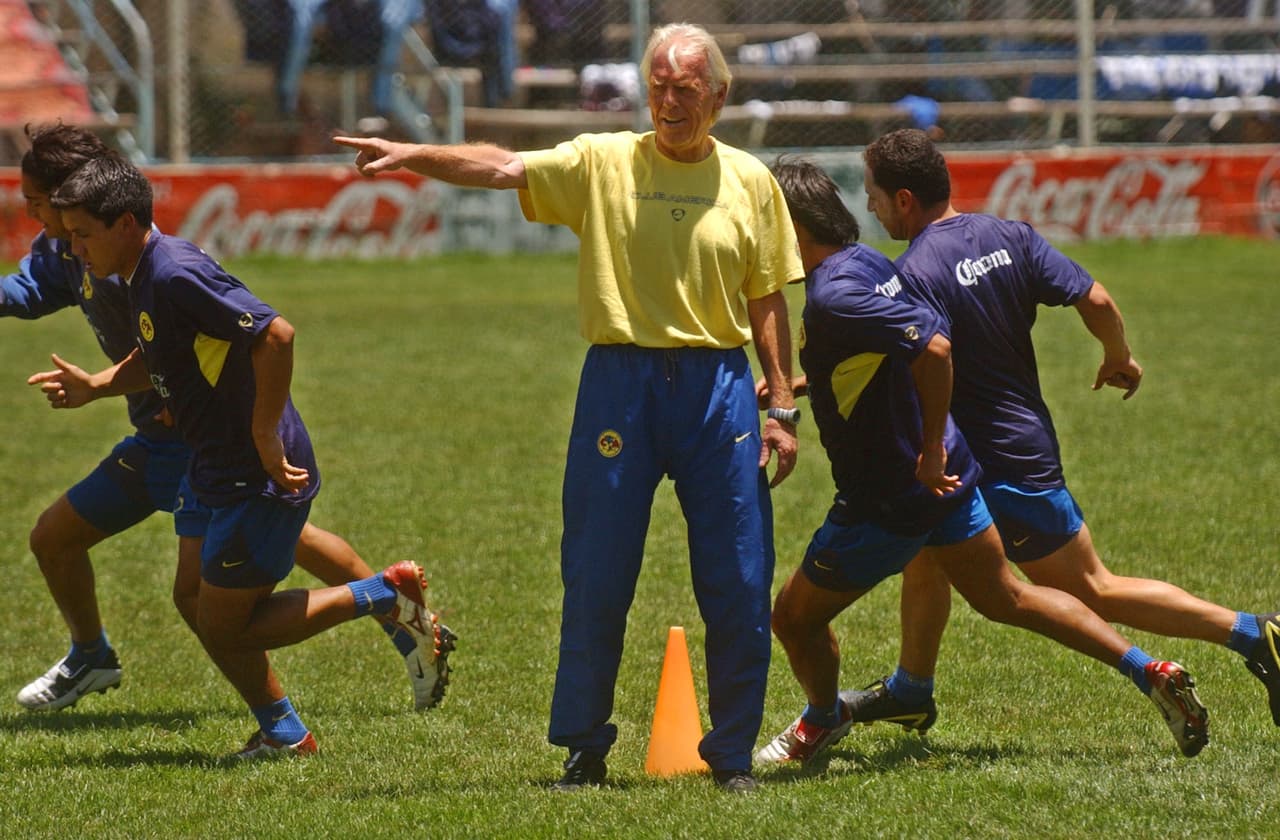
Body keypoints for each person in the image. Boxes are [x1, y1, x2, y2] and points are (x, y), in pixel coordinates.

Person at [334, 22, 804, 793]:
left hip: (719, 389)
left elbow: (768, 298)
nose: (669, 101)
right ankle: (584, 749)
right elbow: (502, 167)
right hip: (619, 384)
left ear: (719, 95)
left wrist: (781, 406)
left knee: (740, 576)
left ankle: (731, 756)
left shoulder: (751, 180)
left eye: (686, 88)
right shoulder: (604, 160)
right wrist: (415, 154)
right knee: (596, 572)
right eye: (658, 85)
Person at [753, 155, 1208, 766]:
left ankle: (822, 720)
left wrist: (928, 448)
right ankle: (1148, 670)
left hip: (888, 499)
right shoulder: (868, 264)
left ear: (790, 227)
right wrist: (822, 379)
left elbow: (936, 349)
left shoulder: (833, 296)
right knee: (1007, 597)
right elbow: (904, 342)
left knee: (793, 619)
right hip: (953, 480)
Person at [840, 127, 1279, 736]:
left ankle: (1254, 633)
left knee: (1093, 588)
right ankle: (911, 689)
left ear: (905, 199)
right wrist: (1118, 355)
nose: (871, 207)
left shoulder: (913, 272)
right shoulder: (1010, 235)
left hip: (997, 462)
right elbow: (1094, 299)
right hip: (1015, 443)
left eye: (875, 196)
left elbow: (916, 360)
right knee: (928, 553)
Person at [9, 122, 453, 716]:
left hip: (202, 446)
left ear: (97, 205)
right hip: (176, 440)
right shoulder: (92, 255)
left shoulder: (150, 265)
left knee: (217, 608)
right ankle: (384, 622)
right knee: (98, 552)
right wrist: (104, 386)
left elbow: (270, 335)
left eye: (41, 204)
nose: (41, 220)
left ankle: (306, 701)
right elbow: (112, 327)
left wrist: (246, 423)